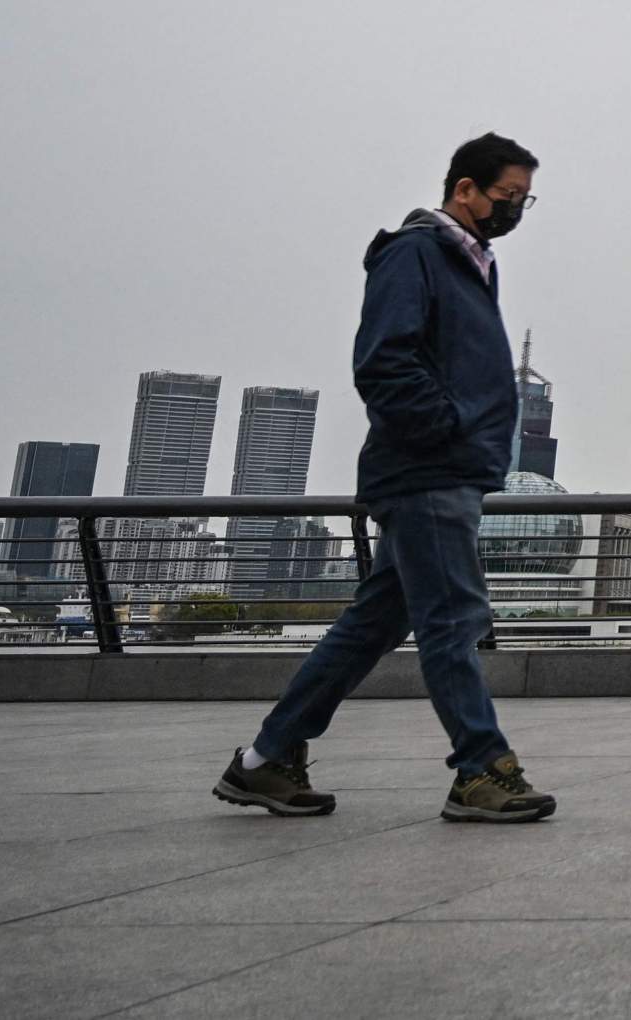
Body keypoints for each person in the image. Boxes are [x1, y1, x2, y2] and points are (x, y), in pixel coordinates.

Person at [213, 132, 558, 823]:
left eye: (526, 199)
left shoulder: (469, 260)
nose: (514, 210)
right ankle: (481, 769)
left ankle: (264, 760)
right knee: (455, 618)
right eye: (506, 196)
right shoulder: (416, 254)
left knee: (372, 626)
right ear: (464, 188)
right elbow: (383, 362)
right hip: (428, 469)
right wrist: (449, 428)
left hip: (447, 466)